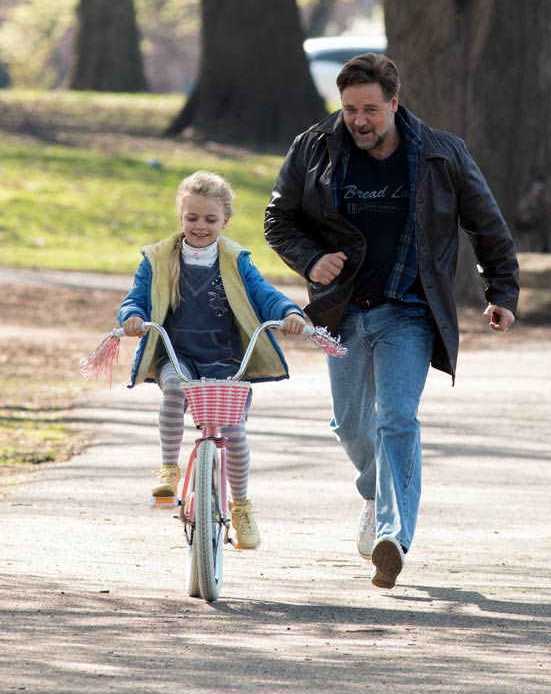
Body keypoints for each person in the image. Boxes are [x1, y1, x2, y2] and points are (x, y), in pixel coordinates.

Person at [264, 53, 519, 588]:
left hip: (409, 310)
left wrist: (502, 291)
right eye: (351, 109)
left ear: (395, 103)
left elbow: (487, 225)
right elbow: (278, 218)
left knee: (396, 418)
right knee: (350, 425)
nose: (359, 120)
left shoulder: (442, 153)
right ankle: (376, 495)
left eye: (371, 110)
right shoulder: (313, 149)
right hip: (341, 311)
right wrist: (310, 259)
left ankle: (393, 535)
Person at [119, 170, 306, 549]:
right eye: (192, 218)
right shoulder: (158, 259)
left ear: (225, 221)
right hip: (179, 353)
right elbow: (136, 296)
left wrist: (290, 313)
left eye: (210, 219)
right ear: (181, 216)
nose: (200, 226)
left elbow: (264, 295)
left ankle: (240, 505)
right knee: (173, 387)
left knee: (233, 433)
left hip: (226, 360)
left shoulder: (236, 261)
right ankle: (169, 469)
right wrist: (132, 317)